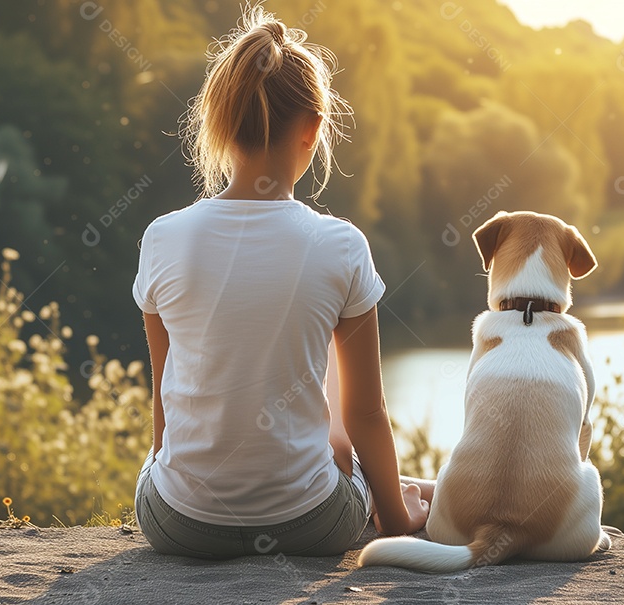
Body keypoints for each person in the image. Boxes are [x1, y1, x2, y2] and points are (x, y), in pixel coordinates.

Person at [131, 3, 432, 559]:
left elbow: (166, 401)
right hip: (311, 525)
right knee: (343, 423)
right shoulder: (340, 245)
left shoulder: (162, 238)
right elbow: (365, 414)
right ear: (314, 129)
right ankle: (406, 492)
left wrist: (173, 480)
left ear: (221, 124)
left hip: (178, 526)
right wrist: (397, 523)